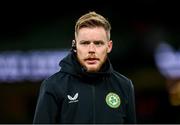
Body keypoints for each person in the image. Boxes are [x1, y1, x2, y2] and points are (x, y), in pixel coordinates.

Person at [33, 11, 136, 124]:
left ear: (109, 46)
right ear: (75, 46)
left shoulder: (124, 86)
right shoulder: (53, 86)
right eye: (85, 43)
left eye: (98, 43)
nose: (91, 50)